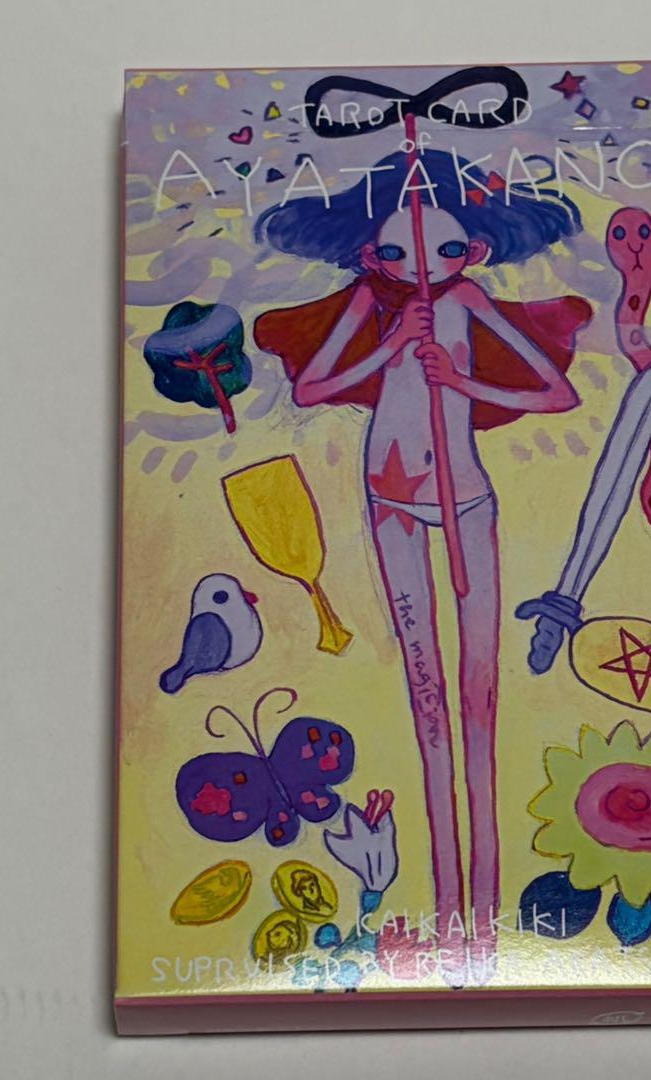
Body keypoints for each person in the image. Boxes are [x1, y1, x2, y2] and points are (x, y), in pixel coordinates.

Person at [253, 150, 591, 977]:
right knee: (426, 697)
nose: (420, 266)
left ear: (472, 251)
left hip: (464, 498)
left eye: (442, 250)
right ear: (371, 253)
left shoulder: (467, 299)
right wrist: (391, 346)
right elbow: (312, 390)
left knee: (479, 697)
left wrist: (466, 386)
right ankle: (445, 921)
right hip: (390, 498)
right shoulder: (370, 301)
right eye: (398, 251)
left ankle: (486, 928)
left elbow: (556, 393)